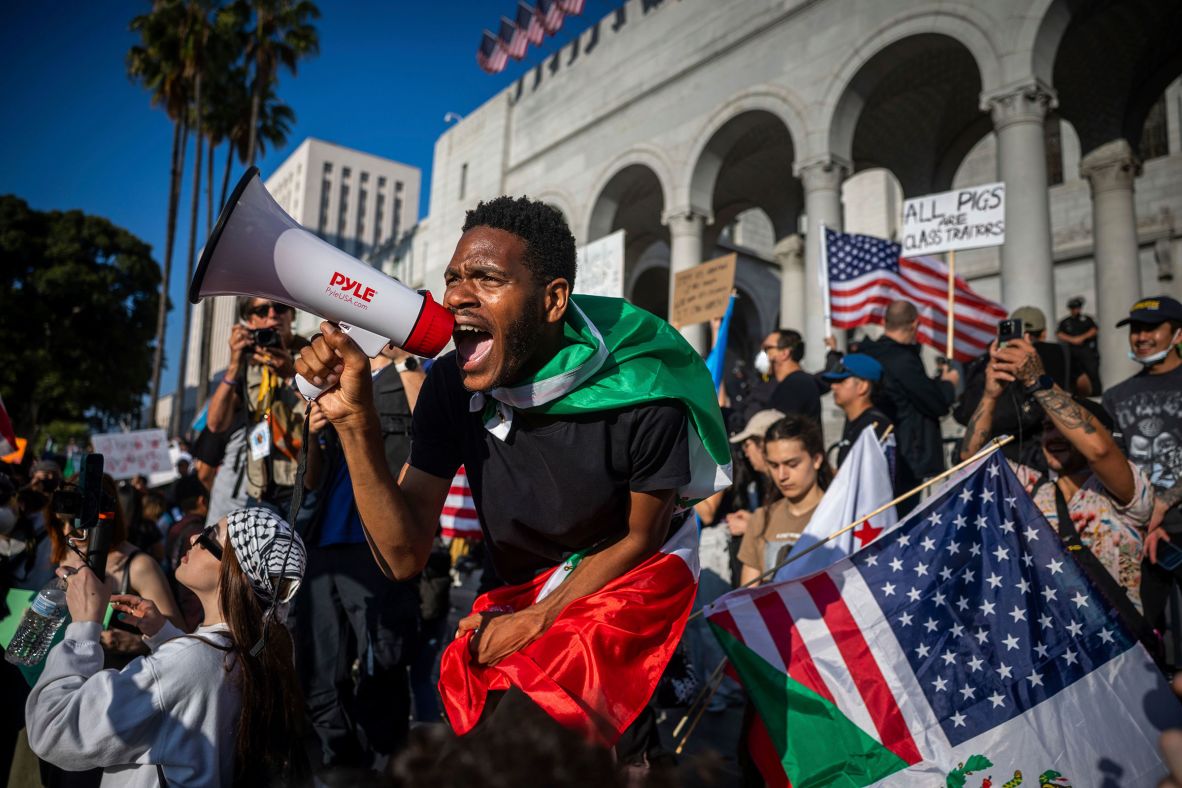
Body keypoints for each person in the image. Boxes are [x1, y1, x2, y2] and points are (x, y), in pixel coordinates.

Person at [295, 195, 728, 754]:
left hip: (618, 591)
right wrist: (356, 423)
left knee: (538, 752)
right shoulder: (450, 385)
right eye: (453, 278)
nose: (456, 296)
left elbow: (641, 538)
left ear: (553, 300)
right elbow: (403, 556)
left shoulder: (644, 389)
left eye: (487, 278)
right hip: (517, 597)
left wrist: (540, 618)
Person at [25, 507, 311, 786]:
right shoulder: (256, 649)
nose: (192, 538)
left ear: (232, 572)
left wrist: (83, 627)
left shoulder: (190, 663)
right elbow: (202, 687)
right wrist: (165, 635)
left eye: (210, 535)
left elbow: (53, 729)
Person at [293, 340, 426, 773]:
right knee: (321, 676)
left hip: (378, 548)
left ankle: (385, 767)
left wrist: (401, 357)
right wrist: (310, 434)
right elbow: (311, 480)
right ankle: (341, 767)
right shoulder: (339, 387)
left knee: (382, 667)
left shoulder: (404, 374)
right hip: (324, 550)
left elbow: (426, 423)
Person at [961, 337, 1154, 611]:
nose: (1053, 435)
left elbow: (1099, 451)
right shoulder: (1032, 489)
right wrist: (991, 396)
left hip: (1118, 644)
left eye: (1062, 428)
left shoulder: (1125, 491)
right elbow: (970, 461)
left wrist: (1037, 380)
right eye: (1047, 428)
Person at [1102, 296, 1182, 639]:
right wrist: (1143, 519)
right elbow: (1117, 464)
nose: (1141, 337)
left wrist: (1163, 503)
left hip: (1173, 521)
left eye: (1151, 328)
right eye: (1135, 329)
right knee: (1141, 637)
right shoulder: (1116, 396)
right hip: (1141, 535)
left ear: (1177, 334)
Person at [47, 475, 185, 666]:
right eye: (60, 523)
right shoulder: (65, 552)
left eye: (76, 523)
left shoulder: (139, 565)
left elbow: (181, 640)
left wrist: (139, 644)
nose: (66, 531)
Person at [205, 296, 306, 514]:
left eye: (280, 307)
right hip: (258, 490)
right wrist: (233, 366)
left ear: (292, 314)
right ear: (249, 321)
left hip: (302, 486)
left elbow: (328, 416)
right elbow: (215, 424)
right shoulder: (248, 363)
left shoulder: (310, 355)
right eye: (261, 311)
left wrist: (291, 375)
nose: (272, 315)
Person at [859, 301, 958, 503]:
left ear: (886, 322)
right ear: (915, 324)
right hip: (906, 455)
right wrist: (948, 385)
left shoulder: (871, 353)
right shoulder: (902, 359)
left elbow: (916, 390)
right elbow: (935, 403)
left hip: (878, 448)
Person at [956, 306, 1071, 466]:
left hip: (1000, 459)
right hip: (1030, 457)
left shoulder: (984, 360)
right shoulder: (1057, 352)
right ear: (1043, 333)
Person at [736, 415, 832, 587]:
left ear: (817, 459)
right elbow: (747, 596)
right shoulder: (760, 519)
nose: (782, 476)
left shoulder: (840, 515)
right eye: (774, 466)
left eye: (792, 464)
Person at [819, 353, 892, 468]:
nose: (833, 386)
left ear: (862, 386)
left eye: (841, 381)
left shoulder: (874, 427)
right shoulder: (855, 421)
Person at [756, 329, 823, 433]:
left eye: (767, 348)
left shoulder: (796, 384)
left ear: (784, 353)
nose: (763, 354)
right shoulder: (788, 382)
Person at [1057, 295, 1102, 395]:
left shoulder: (1086, 319)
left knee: (1092, 372)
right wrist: (1072, 340)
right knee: (1072, 374)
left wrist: (1082, 338)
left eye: (1077, 308)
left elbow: (1094, 330)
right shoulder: (1066, 322)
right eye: (1073, 308)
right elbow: (1059, 334)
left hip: (1087, 351)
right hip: (1072, 352)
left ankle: (1096, 393)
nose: (1075, 310)